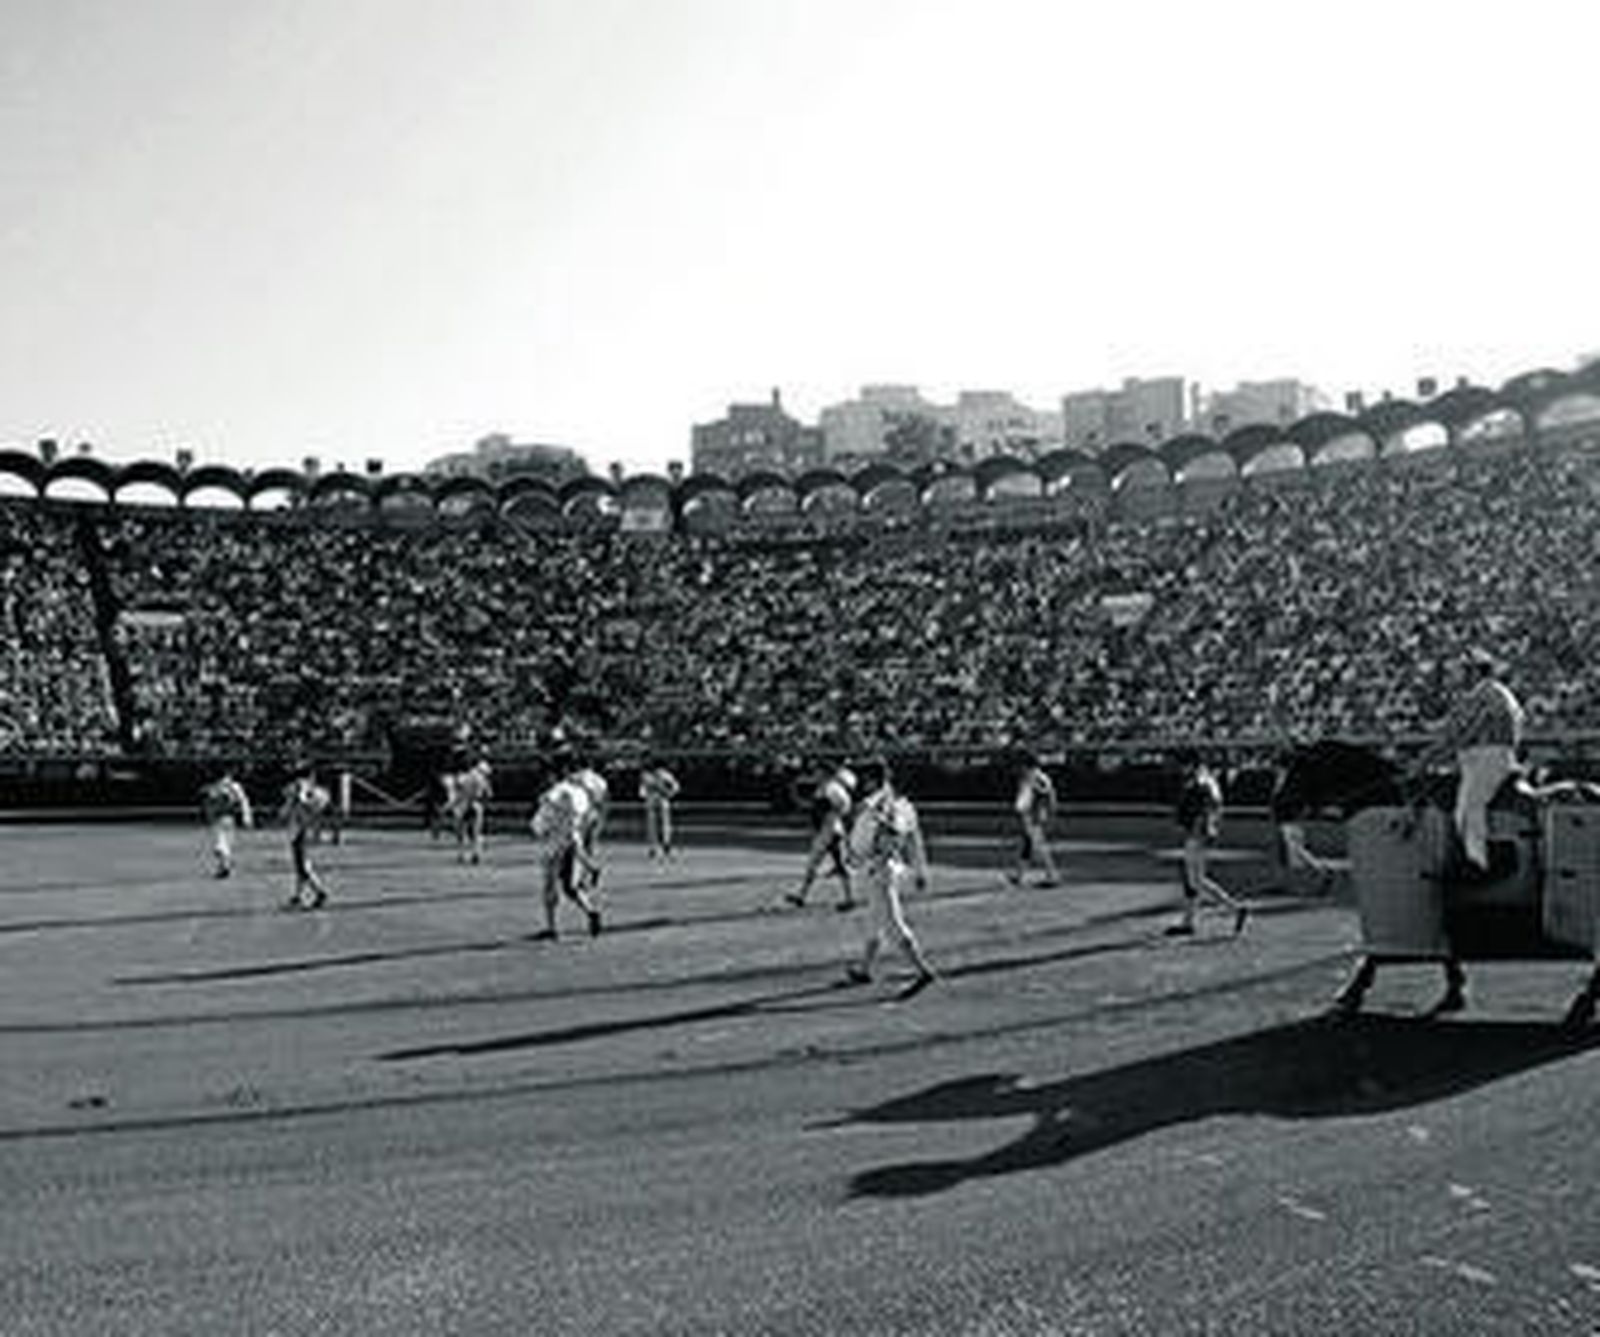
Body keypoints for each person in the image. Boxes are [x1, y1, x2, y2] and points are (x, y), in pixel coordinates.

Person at [1417, 645, 1526, 876]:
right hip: (1480, 758)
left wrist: (1426, 759)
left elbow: (1457, 735)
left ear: (1474, 672)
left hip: (1488, 757)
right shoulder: (1488, 692)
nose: (1455, 676)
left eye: (1461, 671)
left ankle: (1478, 864)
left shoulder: (1486, 695)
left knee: (1469, 809)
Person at [842, 759, 936, 998]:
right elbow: (915, 840)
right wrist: (920, 870)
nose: (861, 783)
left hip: (876, 870)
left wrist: (850, 858)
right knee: (875, 921)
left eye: (864, 779)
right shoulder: (903, 805)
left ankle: (923, 970)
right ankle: (864, 968)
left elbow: (860, 847)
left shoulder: (870, 808)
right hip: (890, 867)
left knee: (893, 924)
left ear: (872, 780)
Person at [1167, 752, 1248, 937]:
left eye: (1184, 765)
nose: (1181, 769)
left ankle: (1234, 909)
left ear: (1192, 764)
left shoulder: (1202, 781)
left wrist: (1204, 828)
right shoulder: (1204, 780)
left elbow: (1209, 807)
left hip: (1197, 834)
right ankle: (1189, 921)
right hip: (1197, 833)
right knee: (1195, 879)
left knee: (1195, 880)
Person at [528, 766, 605, 940]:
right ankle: (591, 911)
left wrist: (541, 816)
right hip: (573, 839)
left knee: (549, 885)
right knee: (570, 887)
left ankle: (551, 928)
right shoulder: (579, 792)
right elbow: (586, 815)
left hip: (556, 842)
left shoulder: (557, 791)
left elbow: (546, 810)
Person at [785, 763, 858, 911]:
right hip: (826, 831)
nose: (816, 774)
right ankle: (801, 896)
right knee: (818, 864)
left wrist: (832, 816)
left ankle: (849, 898)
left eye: (818, 771)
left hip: (830, 831)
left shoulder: (833, 788)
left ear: (826, 773)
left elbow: (844, 807)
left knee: (835, 865)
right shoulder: (824, 787)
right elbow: (816, 807)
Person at [279, 763, 333, 910]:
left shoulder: (308, 790)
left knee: (303, 866)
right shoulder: (316, 791)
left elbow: (303, 804)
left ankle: (320, 892)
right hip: (301, 829)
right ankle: (297, 897)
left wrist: (298, 798)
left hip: (300, 830)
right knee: (300, 866)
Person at [1005, 748, 1061, 888]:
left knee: (1037, 845)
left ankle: (1052, 875)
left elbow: (1026, 799)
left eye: (1021, 764)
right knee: (1028, 845)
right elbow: (1051, 796)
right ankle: (1019, 875)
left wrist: (1025, 813)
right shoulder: (1039, 776)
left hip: (1034, 814)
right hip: (1037, 813)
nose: (1019, 768)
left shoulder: (1032, 777)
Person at [200, 769, 253, 879]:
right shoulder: (230, 787)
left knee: (220, 845)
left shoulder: (219, 787)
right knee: (224, 844)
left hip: (223, 819)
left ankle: (225, 866)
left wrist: (246, 816)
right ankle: (224, 866)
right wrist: (246, 817)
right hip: (226, 819)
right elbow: (243, 801)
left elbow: (210, 803)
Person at [442, 758, 493, 865]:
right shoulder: (481, 778)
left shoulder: (462, 778)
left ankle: (461, 854)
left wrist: (449, 806)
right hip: (476, 804)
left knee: (461, 832)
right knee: (476, 832)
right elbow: (489, 794)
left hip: (464, 805)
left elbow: (459, 795)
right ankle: (475, 853)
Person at [638, 758, 682, 860]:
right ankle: (653, 848)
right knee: (651, 825)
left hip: (663, 801)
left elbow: (676, 787)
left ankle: (667, 846)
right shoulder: (645, 776)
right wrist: (647, 796)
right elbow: (642, 791)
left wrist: (669, 794)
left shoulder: (665, 775)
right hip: (651, 802)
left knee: (665, 824)